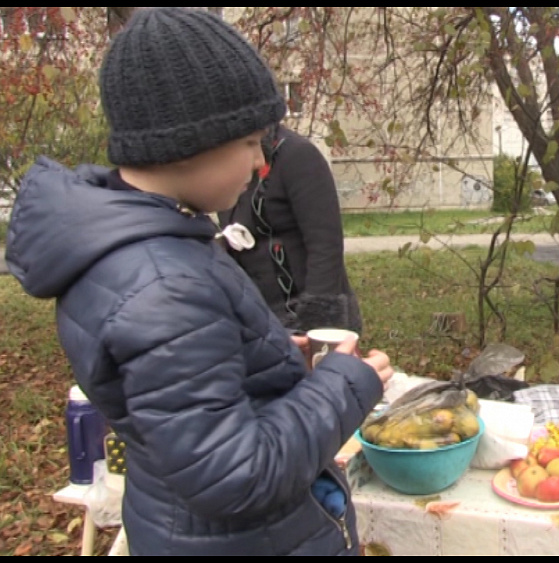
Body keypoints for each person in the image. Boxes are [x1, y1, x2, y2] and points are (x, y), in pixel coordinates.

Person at [3, 7, 392, 556]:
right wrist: (347, 383)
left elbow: (171, 397)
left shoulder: (138, 250)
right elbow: (235, 474)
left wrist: (269, 353)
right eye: (251, 142)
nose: (261, 163)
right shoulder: (164, 282)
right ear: (193, 142)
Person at [217, 124, 363, 335]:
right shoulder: (225, 157)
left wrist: (318, 324)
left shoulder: (297, 155)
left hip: (303, 310)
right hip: (257, 313)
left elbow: (325, 243)